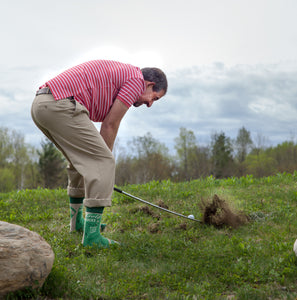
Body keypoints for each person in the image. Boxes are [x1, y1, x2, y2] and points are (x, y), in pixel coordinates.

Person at [31, 60, 168, 249]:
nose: (150, 104)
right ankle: (92, 237)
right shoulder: (136, 80)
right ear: (149, 85)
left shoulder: (125, 74)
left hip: (42, 105)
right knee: (103, 161)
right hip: (59, 105)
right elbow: (110, 124)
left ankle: (77, 224)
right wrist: (103, 169)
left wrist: (98, 165)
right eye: (155, 97)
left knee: (80, 161)